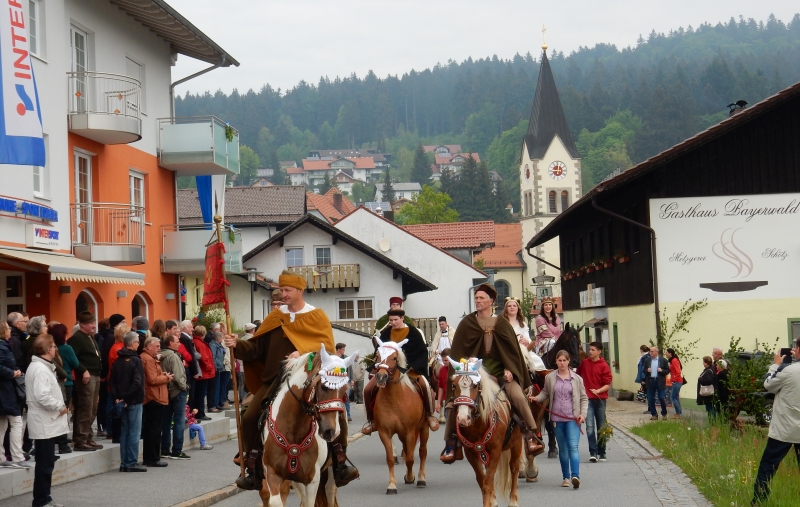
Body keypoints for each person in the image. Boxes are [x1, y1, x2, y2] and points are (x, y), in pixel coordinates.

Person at [225, 270, 358, 490]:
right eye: (282, 290)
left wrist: (302, 352)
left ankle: (340, 461)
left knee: (336, 413)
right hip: (275, 380)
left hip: (309, 379)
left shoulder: (317, 316)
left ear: (299, 291)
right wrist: (237, 344)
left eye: (287, 290)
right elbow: (256, 349)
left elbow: (328, 350)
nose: (283, 294)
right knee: (249, 417)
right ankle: (253, 465)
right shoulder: (276, 317)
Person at [441, 283, 544, 463]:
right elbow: (458, 352)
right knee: (452, 403)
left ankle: (532, 436)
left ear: (491, 301)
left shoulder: (502, 323)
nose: (478, 301)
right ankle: (451, 443)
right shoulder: (467, 323)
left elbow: (513, 353)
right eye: (476, 298)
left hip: (499, 375)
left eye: (481, 298)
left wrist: (511, 371)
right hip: (474, 375)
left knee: (518, 397)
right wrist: (466, 367)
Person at [363, 309, 438, 434]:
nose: (393, 322)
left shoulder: (414, 333)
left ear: (402, 318)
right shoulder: (386, 333)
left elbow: (422, 352)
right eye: (391, 320)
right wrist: (378, 364)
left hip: (410, 370)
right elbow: (379, 351)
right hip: (388, 370)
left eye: (395, 320)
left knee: (425, 387)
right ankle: (372, 421)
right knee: (367, 390)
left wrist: (412, 366)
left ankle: (429, 415)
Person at [751, 338, 800, 505]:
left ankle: (759, 501)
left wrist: (776, 364)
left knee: (768, 467)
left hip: (784, 430)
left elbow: (768, 384)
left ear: (798, 350)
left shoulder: (789, 371)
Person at [532, 350, 588, 489]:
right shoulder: (550, 377)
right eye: (559, 360)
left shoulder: (576, 379)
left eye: (564, 360)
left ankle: (575, 476)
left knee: (573, 447)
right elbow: (545, 392)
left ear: (569, 361)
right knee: (563, 449)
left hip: (572, 418)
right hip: (557, 418)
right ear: (556, 362)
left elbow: (583, 398)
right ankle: (566, 478)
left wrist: (583, 414)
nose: (562, 363)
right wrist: (536, 398)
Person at [26, 335, 70, 505]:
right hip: (44, 422)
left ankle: (45, 498)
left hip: (46, 421)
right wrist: (60, 406)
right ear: (47, 349)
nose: (55, 349)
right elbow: (42, 396)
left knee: (46, 464)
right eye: (53, 346)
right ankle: (41, 500)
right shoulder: (40, 369)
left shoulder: (42, 366)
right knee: (44, 465)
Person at [110, 331, 146, 472]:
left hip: (121, 400)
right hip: (133, 400)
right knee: (134, 432)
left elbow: (112, 381)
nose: (138, 344)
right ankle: (131, 462)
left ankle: (124, 462)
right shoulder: (135, 360)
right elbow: (137, 382)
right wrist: (126, 397)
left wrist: (117, 398)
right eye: (137, 342)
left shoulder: (118, 360)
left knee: (125, 431)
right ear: (132, 344)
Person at [70, 311, 103, 452]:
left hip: (95, 375)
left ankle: (88, 437)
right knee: (86, 407)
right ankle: (80, 439)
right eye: (91, 323)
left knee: (93, 408)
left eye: (94, 322)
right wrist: (83, 370)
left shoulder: (90, 337)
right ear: (82, 325)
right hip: (87, 377)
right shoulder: (76, 338)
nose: (93, 325)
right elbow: (73, 359)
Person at [576, 341, 612, 462]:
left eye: (593, 350)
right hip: (588, 400)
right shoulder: (585, 363)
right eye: (589, 349)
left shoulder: (604, 365)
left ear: (599, 351)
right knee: (589, 427)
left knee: (601, 426)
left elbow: (607, 384)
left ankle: (602, 452)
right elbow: (577, 376)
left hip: (600, 400)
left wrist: (598, 390)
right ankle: (593, 452)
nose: (590, 352)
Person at [141, 336, 172, 468]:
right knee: (154, 429)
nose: (159, 349)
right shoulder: (147, 358)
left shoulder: (149, 358)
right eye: (157, 346)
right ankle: (153, 458)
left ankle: (151, 457)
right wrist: (166, 377)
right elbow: (153, 380)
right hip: (154, 397)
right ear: (149, 346)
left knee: (151, 429)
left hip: (154, 396)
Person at [0, 321, 27, 469]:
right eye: (7, 328)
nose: (10, 330)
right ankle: (17, 456)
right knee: (16, 422)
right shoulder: (2, 347)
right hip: (6, 390)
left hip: (5, 390)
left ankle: (1, 456)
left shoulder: (4, 345)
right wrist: (13, 373)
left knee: (2, 425)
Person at [160, 324, 190, 460]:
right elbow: (178, 376)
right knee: (178, 421)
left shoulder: (160, 356)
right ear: (170, 343)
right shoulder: (173, 357)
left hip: (166, 390)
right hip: (177, 391)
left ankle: (165, 449)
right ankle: (177, 450)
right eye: (177, 342)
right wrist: (184, 387)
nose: (179, 344)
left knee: (166, 421)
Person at [52, 324, 79, 454]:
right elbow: (76, 363)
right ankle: (63, 443)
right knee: (63, 411)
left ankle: (58, 439)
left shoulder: (53, 349)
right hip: (66, 381)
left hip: (55, 382)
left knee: (55, 412)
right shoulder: (67, 348)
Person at [192, 326, 215, 421]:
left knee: (199, 394)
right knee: (201, 394)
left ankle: (199, 412)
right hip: (204, 373)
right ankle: (200, 413)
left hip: (203, 372)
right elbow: (204, 358)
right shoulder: (200, 343)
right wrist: (210, 368)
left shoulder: (197, 342)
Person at [644, 346, 669, 420]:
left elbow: (667, 371)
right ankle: (654, 414)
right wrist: (647, 370)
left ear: (656, 352)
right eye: (650, 351)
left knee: (662, 398)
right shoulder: (647, 360)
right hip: (650, 381)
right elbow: (644, 371)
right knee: (651, 399)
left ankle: (664, 413)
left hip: (660, 381)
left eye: (652, 351)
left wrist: (662, 370)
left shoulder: (663, 360)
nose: (650, 353)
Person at [208, 331, 226, 413]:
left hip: (219, 368)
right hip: (215, 369)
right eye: (221, 337)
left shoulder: (218, 345)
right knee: (214, 387)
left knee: (217, 387)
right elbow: (213, 357)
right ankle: (213, 405)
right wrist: (214, 367)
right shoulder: (213, 345)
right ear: (218, 338)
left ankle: (216, 404)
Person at [336, 343, 353, 421]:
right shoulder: (333, 357)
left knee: (346, 397)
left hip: (346, 380)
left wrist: (352, 379)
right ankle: (338, 415)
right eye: (343, 349)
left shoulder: (346, 358)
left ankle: (348, 415)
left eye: (344, 349)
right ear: (338, 349)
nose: (344, 350)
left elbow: (350, 369)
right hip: (336, 381)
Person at [665, 348, 684, 418]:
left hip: (677, 381)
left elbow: (678, 371)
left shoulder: (674, 360)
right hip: (676, 381)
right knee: (675, 397)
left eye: (666, 352)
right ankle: (679, 412)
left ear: (670, 353)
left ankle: (678, 413)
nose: (665, 354)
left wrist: (674, 379)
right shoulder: (672, 360)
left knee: (673, 397)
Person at [435, 347, 451, 421]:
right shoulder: (442, 370)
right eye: (443, 360)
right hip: (446, 401)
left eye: (446, 360)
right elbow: (440, 387)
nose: (444, 362)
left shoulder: (457, 369)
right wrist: (438, 403)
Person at [635, 344, 650, 413]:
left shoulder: (644, 357)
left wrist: (643, 379)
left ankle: (650, 409)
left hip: (645, 379)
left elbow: (643, 369)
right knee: (648, 393)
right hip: (647, 378)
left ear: (641, 350)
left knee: (648, 393)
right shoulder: (647, 356)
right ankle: (650, 408)